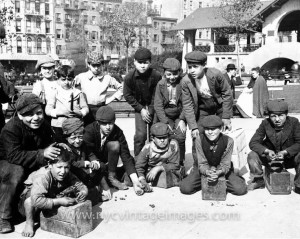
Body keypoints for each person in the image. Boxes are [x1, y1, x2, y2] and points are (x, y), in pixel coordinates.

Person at [0, 94, 61, 233]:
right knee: (15, 172)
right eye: (29, 114)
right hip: (7, 162)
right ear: (20, 116)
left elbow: (49, 144)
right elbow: (14, 155)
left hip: (31, 158)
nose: (35, 118)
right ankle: (3, 217)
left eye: (39, 113)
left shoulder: (43, 125)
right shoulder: (11, 129)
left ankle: (34, 206)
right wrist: (42, 154)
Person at [19, 146, 88, 237]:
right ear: (50, 165)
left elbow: (80, 185)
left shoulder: (67, 174)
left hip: (48, 198)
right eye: (59, 167)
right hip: (29, 205)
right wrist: (59, 201)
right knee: (29, 201)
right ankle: (29, 222)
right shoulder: (43, 175)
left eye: (66, 167)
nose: (63, 171)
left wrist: (83, 192)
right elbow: (36, 200)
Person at [83, 106, 145, 195]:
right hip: (92, 161)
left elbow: (126, 156)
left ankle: (112, 177)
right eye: (104, 124)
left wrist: (135, 181)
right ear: (98, 122)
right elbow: (87, 151)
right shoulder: (89, 131)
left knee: (115, 145)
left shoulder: (118, 132)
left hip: (106, 160)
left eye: (111, 123)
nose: (108, 127)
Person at [179, 115, 247, 196]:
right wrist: (207, 172)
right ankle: (205, 181)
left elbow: (225, 163)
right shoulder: (199, 139)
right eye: (207, 129)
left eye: (213, 129)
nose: (210, 132)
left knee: (240, 189)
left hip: (221, 168)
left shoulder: (229, 141)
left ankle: (215, 182)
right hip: (203, 168)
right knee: (185, 188)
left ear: (221, 129)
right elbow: (202, 162)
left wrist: (218, 172)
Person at [247, 100, 300, 192]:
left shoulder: (294, 122)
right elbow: (253, 142)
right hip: (270, 158)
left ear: (286, 115)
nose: (277, 119)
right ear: (269, 116)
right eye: (273, 116)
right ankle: (258, 180)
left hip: (288, 158)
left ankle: (298, 183)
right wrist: (266, 151)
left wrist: (285, 152)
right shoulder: (265, 123)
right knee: (252, 155)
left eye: (281, 115)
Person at [181, 51, 233, 138]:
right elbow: (187, 104)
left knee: (221, 133)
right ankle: (197, 151)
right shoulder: (186, 81)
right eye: (190, 67)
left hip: (219, 106)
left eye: (195, 67)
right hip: (203, 108)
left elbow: (227, 94)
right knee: (198, 135)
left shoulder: (216, 74)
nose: (192, 70)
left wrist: (226, 117)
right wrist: (193, 127)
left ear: (204, 65)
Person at [123, 47, 162, 156]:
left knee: (155, 132)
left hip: (154, 106)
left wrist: (150, 109)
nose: (143, 65)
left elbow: (157, 94)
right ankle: (138, 160)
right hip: (139, 107)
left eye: (146, 62)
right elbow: (127, 95)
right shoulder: (129, 77)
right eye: (140, 62)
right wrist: (141, 109)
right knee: (140, 135)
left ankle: (155, 158)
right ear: (134, 62)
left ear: (150, 62)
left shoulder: (156, 76)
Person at [62, 117, 111, 201]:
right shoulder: (66, 149)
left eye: (80, 137)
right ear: (66, 138)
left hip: (86, 173)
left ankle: (101, 186)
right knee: (86, 193)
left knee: (101, 166)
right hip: (75, 176)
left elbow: (90, 153)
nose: (77, 141)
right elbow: (72, 163)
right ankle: (95, 194)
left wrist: (94, 161)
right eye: (73, 138)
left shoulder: (83, 144)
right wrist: (85, 163)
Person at [74, 52, 123, 126]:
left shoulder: (107, 78)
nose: (96, 68)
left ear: (102, 64)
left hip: (101, 109)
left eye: (98, 65)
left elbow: (122, 88)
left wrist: (111, 98)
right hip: (86, 109)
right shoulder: (81, 77)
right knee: (87, 132)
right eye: (94, 65)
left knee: (101, 131)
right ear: (89, 65)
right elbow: (71, 90)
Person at [154, 58, 187, 165]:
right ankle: (168, 159)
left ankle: (180, 161)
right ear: (164, 73)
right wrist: (165, 122)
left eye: (175, 74)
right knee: (166, 135)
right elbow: (158, 105)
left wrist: (182, 119)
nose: (172, 77)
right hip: (166, 115)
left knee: (180, 136)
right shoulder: (160, 84)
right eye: (169, 74)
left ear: (179, 72)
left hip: (179, 114)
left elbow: (187, 103)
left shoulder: (183, 83)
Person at [45, 65, 89, 142]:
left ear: (73, 79)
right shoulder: (54, 92)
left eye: (69, 79)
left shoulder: (78, 93)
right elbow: (48, 110)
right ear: (58, 80)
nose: (66, 82)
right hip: (58, 125)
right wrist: (61, 112)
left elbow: (85, 108)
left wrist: (80, 113)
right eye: (63, 79)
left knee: (74, 145)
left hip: (75, 125)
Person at [135, 122, 182, 192]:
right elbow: (139, 166)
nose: (162, 140)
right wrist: (142, 180)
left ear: (168, 136)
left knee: (169, 176)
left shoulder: (173, 145)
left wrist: (159, 168)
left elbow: (175, 164)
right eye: (159, 138)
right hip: (148, 169)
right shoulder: (148, 148)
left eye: (165, 137)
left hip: (164, 168)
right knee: (130, 178)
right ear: (153, 138)